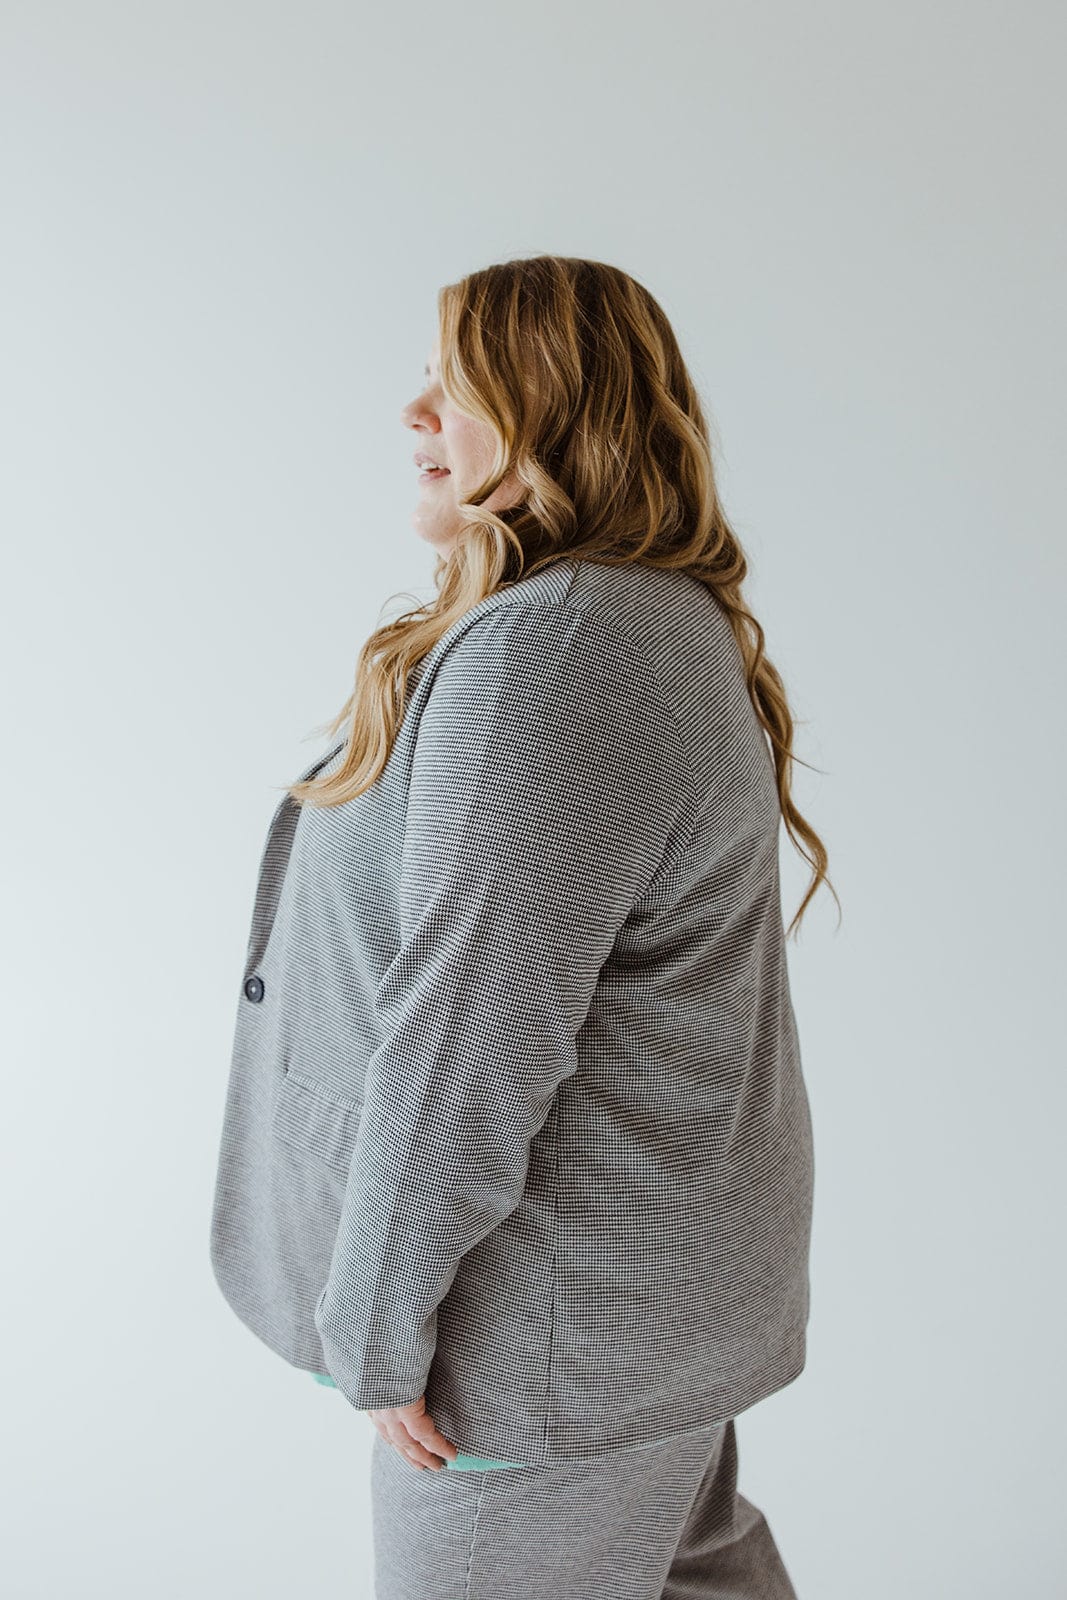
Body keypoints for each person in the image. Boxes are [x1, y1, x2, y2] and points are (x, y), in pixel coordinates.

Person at [209, 254, 835, 1599]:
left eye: (457, 379)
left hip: (533, 1351)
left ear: (554, 405)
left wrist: (379, 1328)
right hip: (625, 1322)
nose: (415, 413)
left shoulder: (557, 649)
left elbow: (472, 1034)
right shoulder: (632, 621)